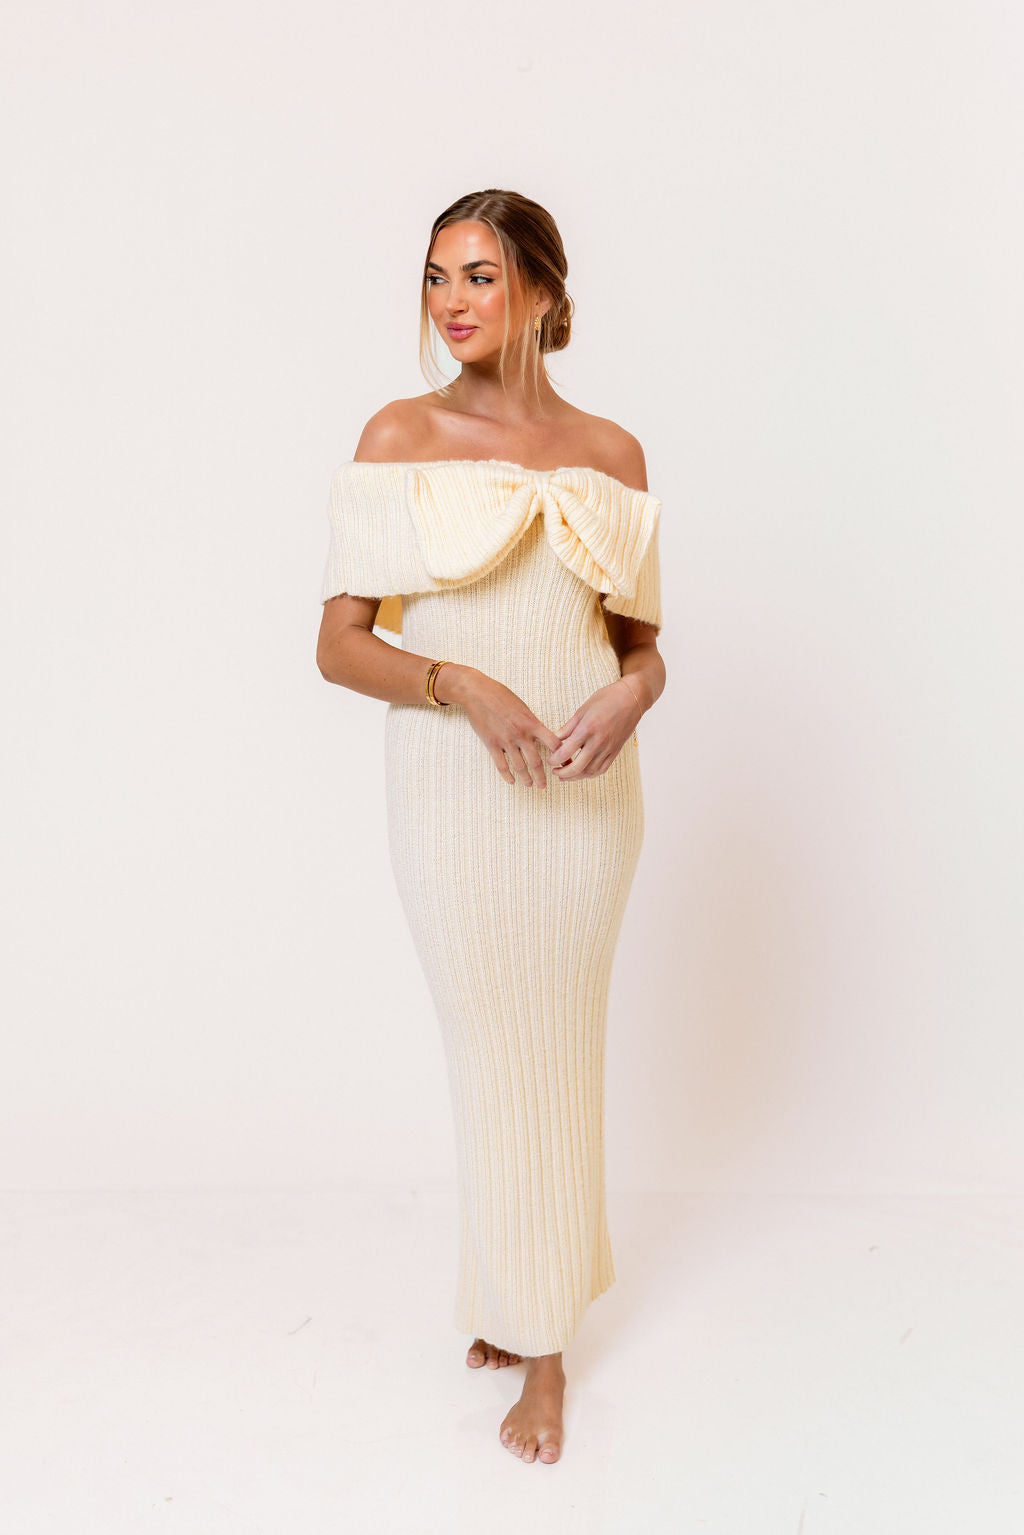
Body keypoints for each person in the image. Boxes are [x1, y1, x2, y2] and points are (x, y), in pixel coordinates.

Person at [316, 189, 666, 1466]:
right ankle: (519, 1295)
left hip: (585, 797)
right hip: (455, 798)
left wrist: (633, 693)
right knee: (491, 1050)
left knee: (557, 1050)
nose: (450, 302)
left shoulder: (612, 452)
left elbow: (642, 648)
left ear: (542, 294)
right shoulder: (400, 433)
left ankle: (538, 1336)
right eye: (434, 277)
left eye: (478, 275)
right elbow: (338, 643)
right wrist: (459, 681)